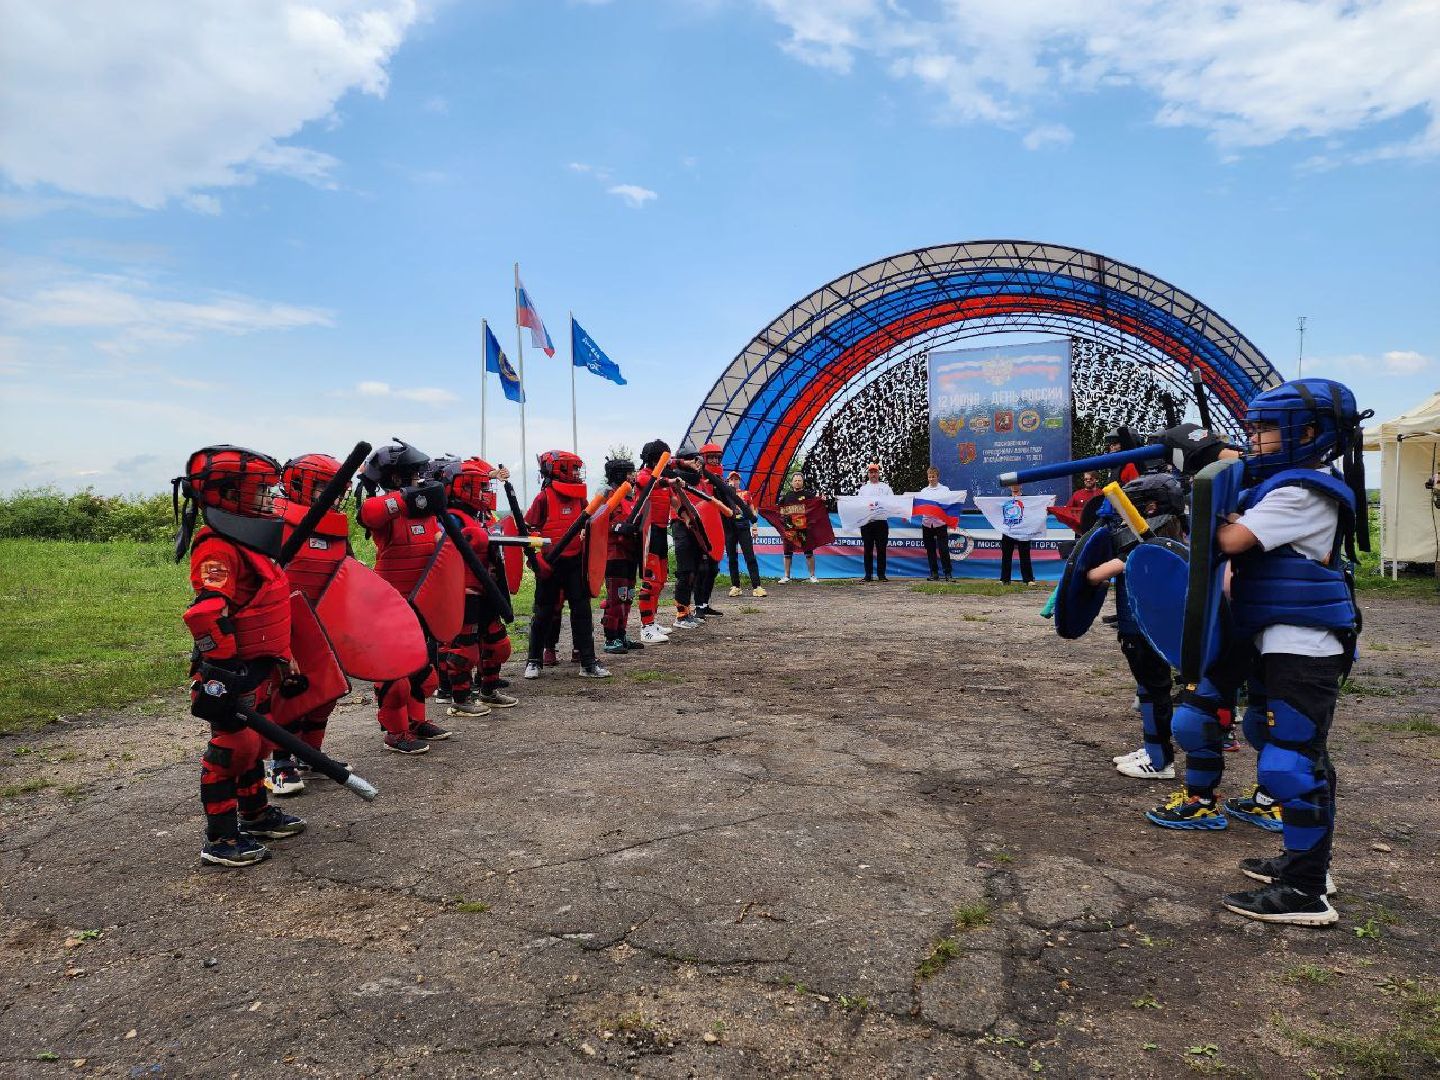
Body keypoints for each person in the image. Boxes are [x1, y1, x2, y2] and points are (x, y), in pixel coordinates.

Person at [1147, 379, 1368, 926]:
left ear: (1308, 433)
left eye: (1267, 429)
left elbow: (1229, 541)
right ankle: (1305, 865)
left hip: (1304, 644)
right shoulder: (1283, 485)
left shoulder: (1303, 492)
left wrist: (1195, 501)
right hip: (1275, 637)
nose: (1255, 439)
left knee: (1293, 762)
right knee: (1282, 748)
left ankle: (1306, 892)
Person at [173, 446, 306, 867]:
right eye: (261, 490)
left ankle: (256, 815)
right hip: (232, 669)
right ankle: (221, 838)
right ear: (229, 494)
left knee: (257, 744)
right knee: (233, 748)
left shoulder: (248, 539)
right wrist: (224, 671)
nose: (271, 498)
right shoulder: (217, 547)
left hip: (259, 663)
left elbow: (267, 603)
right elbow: (207, 613)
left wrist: (283, 655)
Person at [1084, 472, 1188, 781]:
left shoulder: (1149, 547)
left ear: (1151, 508)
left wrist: (1086, 569)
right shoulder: (1171, 540)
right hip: (1141, 632)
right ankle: (1152, 748)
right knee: (1148, 690)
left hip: (1146, 633)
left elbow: (1095, 575)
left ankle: (1159, 760)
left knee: (1154, 691)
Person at [356, 439, 453, 753]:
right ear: (397, 477)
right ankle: (395, 732)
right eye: (414, 474)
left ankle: (416, 721)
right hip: (390, 603)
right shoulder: (384, 510)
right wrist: (409, 496)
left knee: (422, 669)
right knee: (395, 674)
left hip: (422, 599)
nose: (420, 480)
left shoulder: (425, 511)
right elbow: (368, 513)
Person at [268, 452, 352, 796]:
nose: (333, 496)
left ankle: (310, 755)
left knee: (325, 693)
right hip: (284, 623)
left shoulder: (337, 529)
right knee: (288, 693)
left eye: (338, 489)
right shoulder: (273, 523)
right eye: (324, 488)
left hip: (324, 621)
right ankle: (279, 763)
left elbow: (347, 575)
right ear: (298, 484)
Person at [438, 457, 519, 715]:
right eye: (480, 487)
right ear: (463, 488)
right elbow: (440, 547)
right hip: (464, 592)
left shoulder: (479, 517)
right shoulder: (451, 518)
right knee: (465, 649)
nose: (485, 492)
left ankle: (488, 691)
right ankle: (460, 700)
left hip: (487, 589)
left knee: (497, 645)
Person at [523, 450, 610, 680]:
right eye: (573, 469)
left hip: (575, 562)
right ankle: (533, 661)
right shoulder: (543, 498)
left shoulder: (579, 498)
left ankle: (588, 663)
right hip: (551, 564)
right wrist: (536, 557)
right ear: (559, 470)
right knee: (543, 612)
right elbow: (529, 529)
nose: (577, 473)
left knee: (582, 612)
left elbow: (590, 524)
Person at [600, 455, 645, 654]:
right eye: (628, 473)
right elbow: (599, 521)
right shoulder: (608, 495)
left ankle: (621, 633)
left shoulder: (630, 497)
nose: (632, 476)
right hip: (614, 554)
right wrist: (619, 527)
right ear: (618, 475)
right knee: (616, 597)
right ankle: (611, 637)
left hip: (630, 553)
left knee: (627, 597)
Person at [633, 439, 674, 645]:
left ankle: (652, 622)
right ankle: (646, 628)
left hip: (661, 530)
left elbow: (674, 501)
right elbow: (649, 483)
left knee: (661, 578)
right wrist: (670, 481)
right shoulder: (644, 476)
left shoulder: (666, 480)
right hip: (647, 531)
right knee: (651, 579)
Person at [723, 469, 766, 597]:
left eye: (736, 479)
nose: (734, 481)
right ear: (728, 481)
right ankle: (736, 586)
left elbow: (753, 511)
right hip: (730, 528)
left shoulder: (746, 493)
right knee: (732, 558)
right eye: (732, 479)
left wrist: (755, 527)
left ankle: (757, 587)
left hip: (743, 527)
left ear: (739, 481)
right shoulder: (724, 494)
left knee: (750, 556)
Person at [777, 472, 820, 583]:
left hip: (804, 528)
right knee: (787, 552)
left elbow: (817, 505)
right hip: (790, 528)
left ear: (802, 482)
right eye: (795, 480)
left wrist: (822, 500)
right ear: (792, 483)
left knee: (809, 553)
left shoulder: (809, 495)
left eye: (799, 480)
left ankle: (812, 576)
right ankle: (786, 576)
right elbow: (778, 509)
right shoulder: (787, 496)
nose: (797, 482)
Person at [915, 465, 954, 581]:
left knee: (943, 549)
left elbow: (950, 503)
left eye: (933, 476)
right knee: (930, 550)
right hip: (927, 523)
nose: (931, 479)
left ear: (938, 477)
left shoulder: (945, 490)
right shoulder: (923, 491)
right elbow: (918, 505)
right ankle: (934, 573)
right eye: (929, 477)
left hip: (940, 523)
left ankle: (948, 574)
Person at [856, 463, 894, 582]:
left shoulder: (886, 487)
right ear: (868, 474)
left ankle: (881, 575)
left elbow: (892, 501)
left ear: (879, 473)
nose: (873, 474)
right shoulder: (863, 489)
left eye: (875, 472)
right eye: (871, 472)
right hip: (867, 523)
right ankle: (868, 575)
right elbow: (858, 504)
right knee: (867, 549)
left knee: (881, 549)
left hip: (881, 522)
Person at [998, 483, 1037, 585]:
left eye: (1016, 484)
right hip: (1008, 531)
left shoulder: (1028, 500)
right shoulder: (1004, 500)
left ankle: (1028, 580)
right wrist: (981, 505)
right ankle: (1005, 579)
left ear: (1021, 485)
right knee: (1006, 555)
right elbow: (994, 510)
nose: (1014, 486)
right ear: (1009, 486)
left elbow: (1037, 508)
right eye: (1012, 484)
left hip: (1023, 531)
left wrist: (1049, 502)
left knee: (1025, 555)